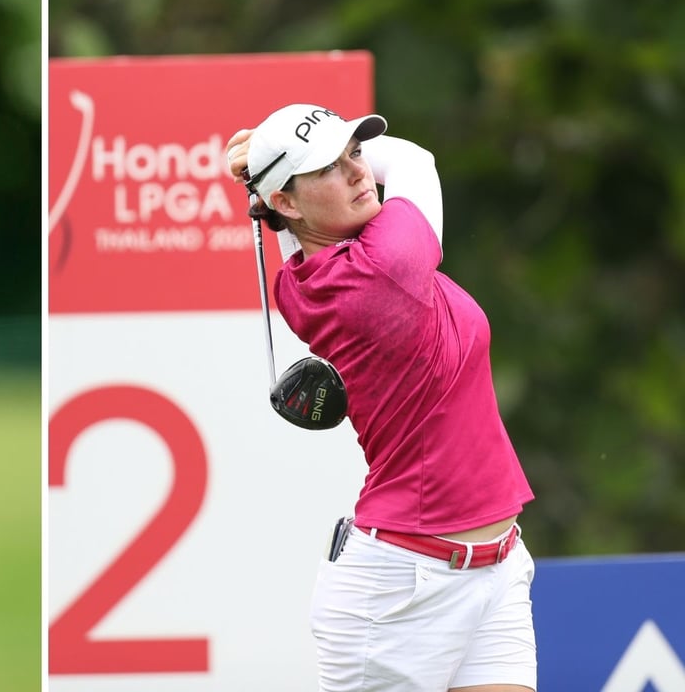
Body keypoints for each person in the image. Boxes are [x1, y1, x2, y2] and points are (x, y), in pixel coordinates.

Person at [223, 104, 536, 692]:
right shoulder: (387, 267)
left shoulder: (295, 280)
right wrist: (261, 170)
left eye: (356, 154)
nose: (359, 173)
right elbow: (416, 160)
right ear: (288, 203)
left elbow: (306, 232)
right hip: (401, 591)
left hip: (495, 568)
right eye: (329, 169)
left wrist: (269, 172)